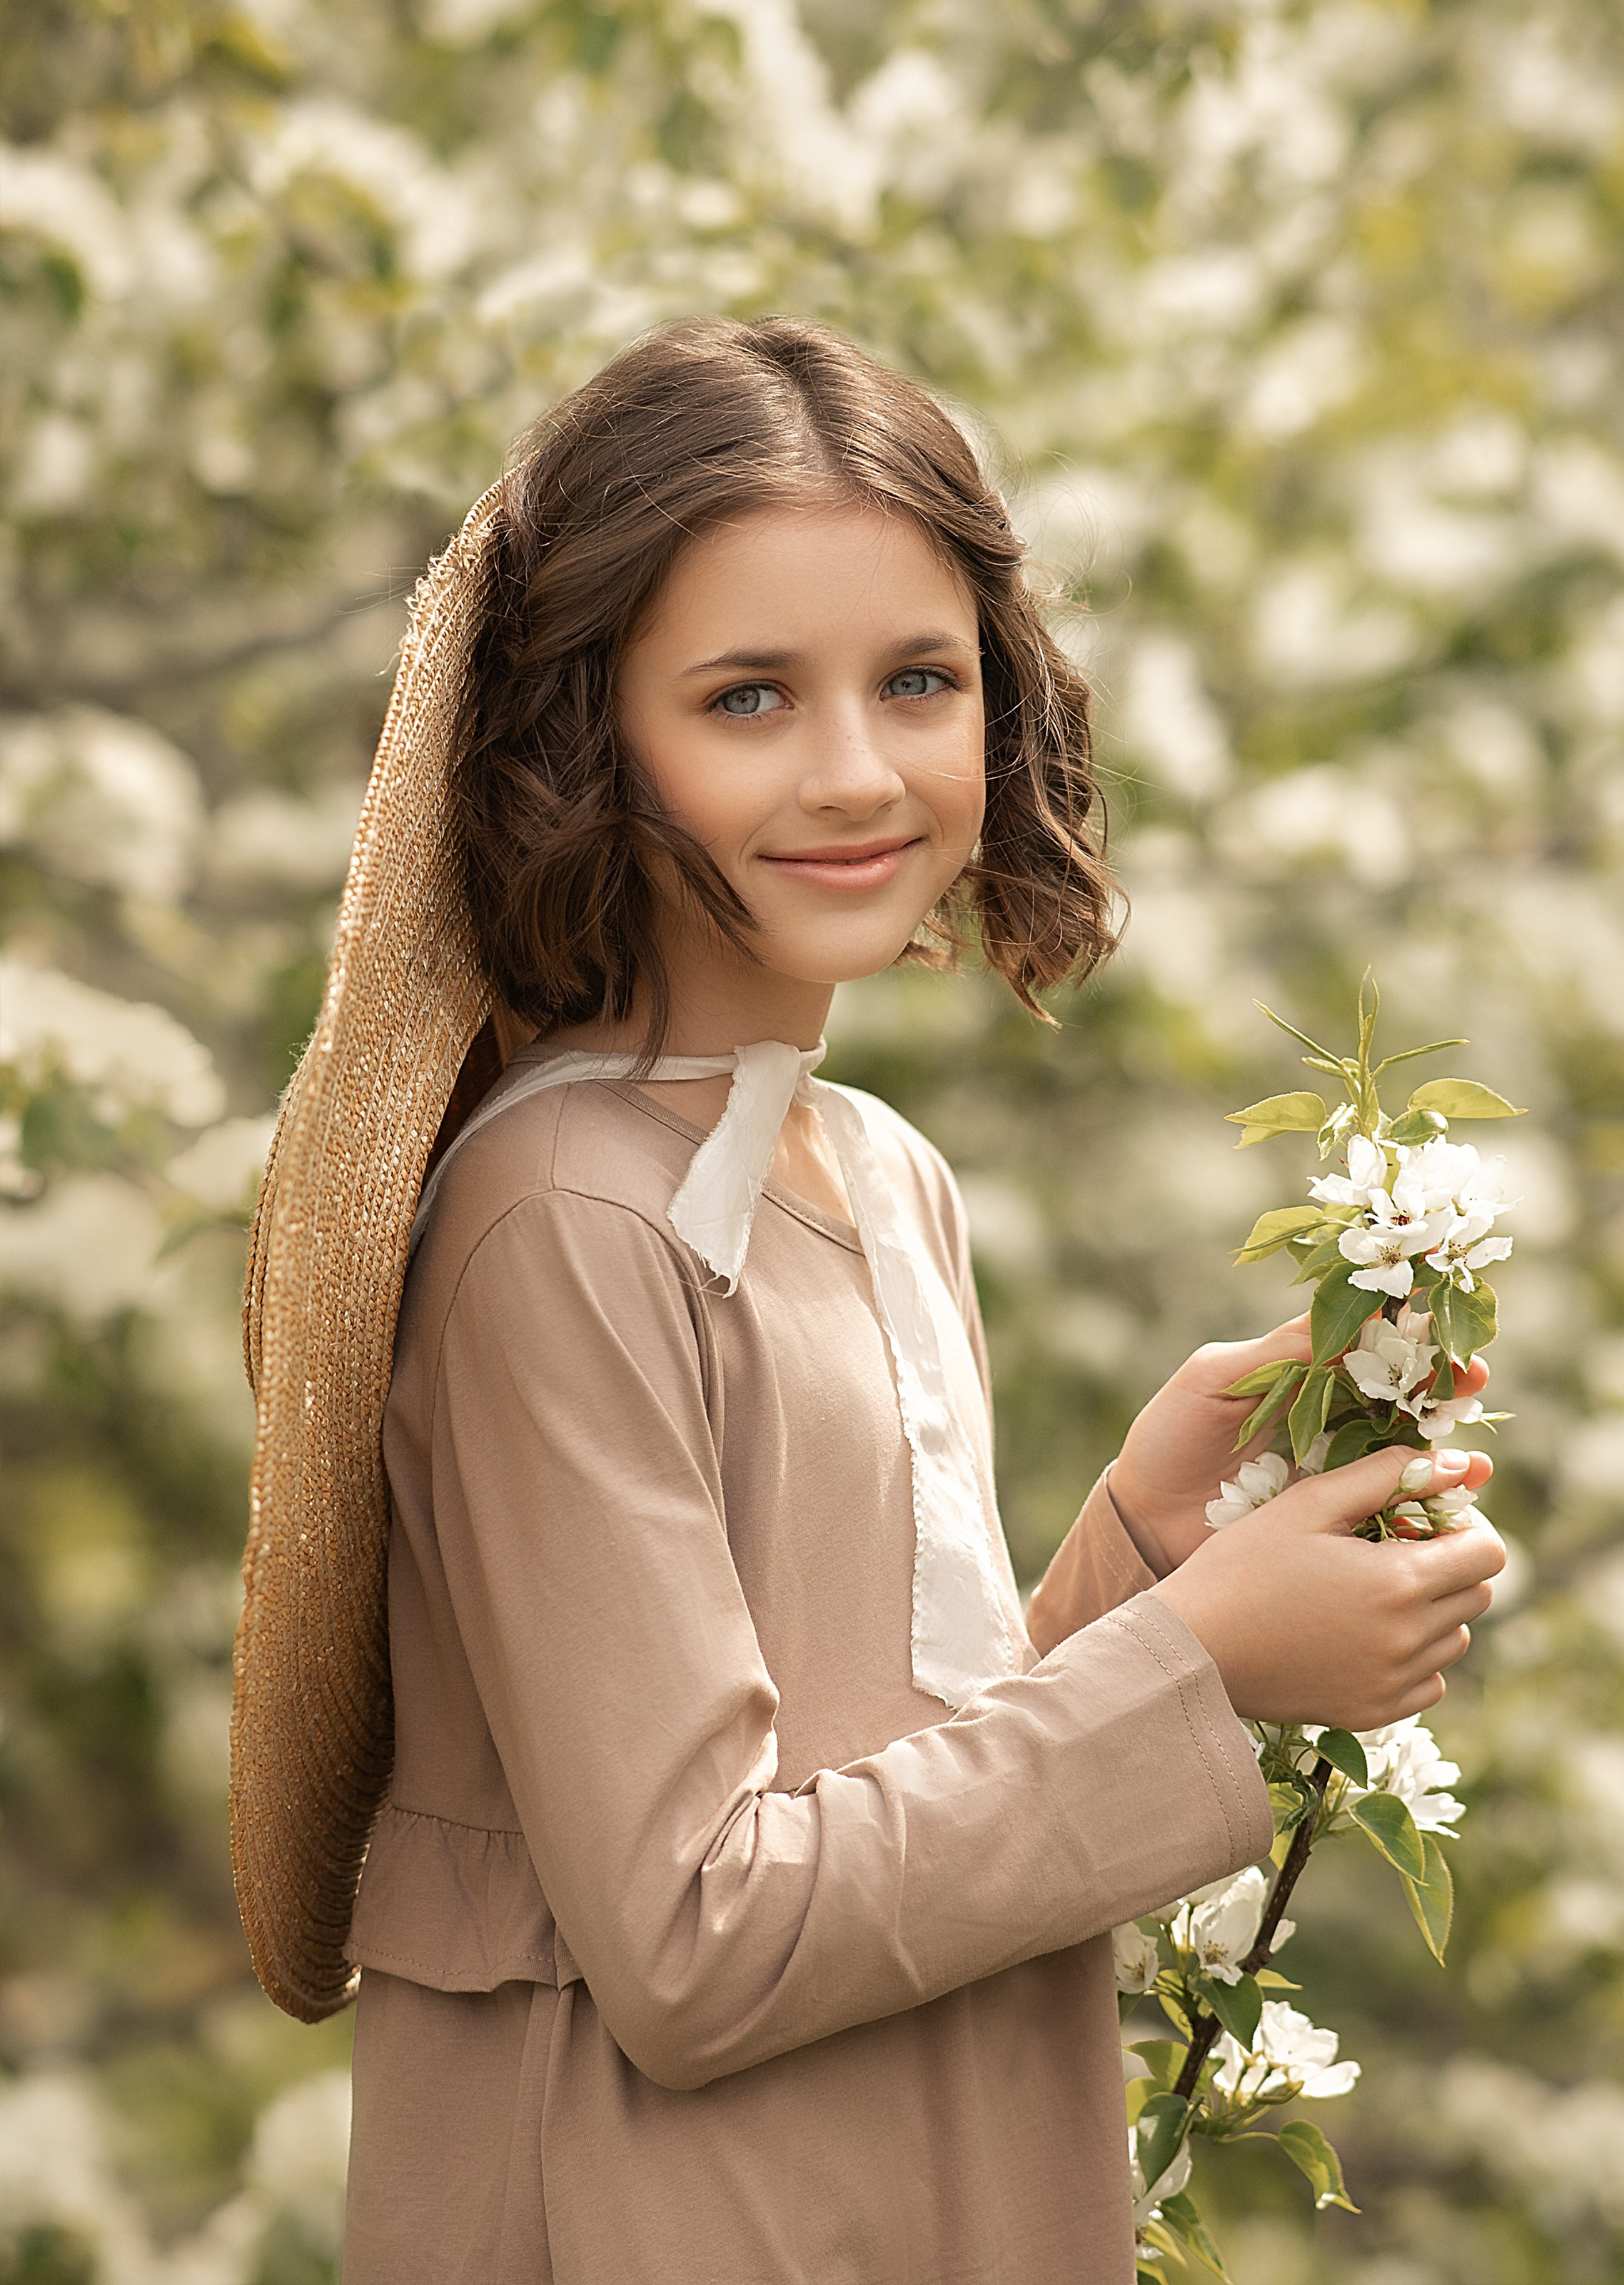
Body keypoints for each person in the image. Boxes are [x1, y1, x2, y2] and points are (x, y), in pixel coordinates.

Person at [233, 316, 1503, 2283]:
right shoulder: (560, 1221)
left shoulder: (882, 1172)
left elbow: (873, 1771)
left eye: (918, 680)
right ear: (586, 737)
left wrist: (1145, 1562)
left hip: (933, 2179)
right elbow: (694, 1934)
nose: (853, 771)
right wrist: (1209, 1666)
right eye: (747, 697)